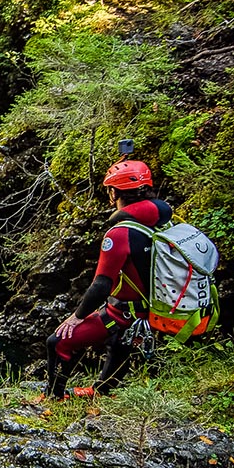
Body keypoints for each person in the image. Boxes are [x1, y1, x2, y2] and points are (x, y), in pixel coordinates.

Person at [45, 160, 171, 400]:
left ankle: (54, 397)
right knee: (117, 343)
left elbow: (101, 286)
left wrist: (76, 317)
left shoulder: (119, 233)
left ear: (114, 193)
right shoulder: (161, 222)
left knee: (58, 342)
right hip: (151, 311)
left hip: (123, 314)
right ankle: (103, 392)